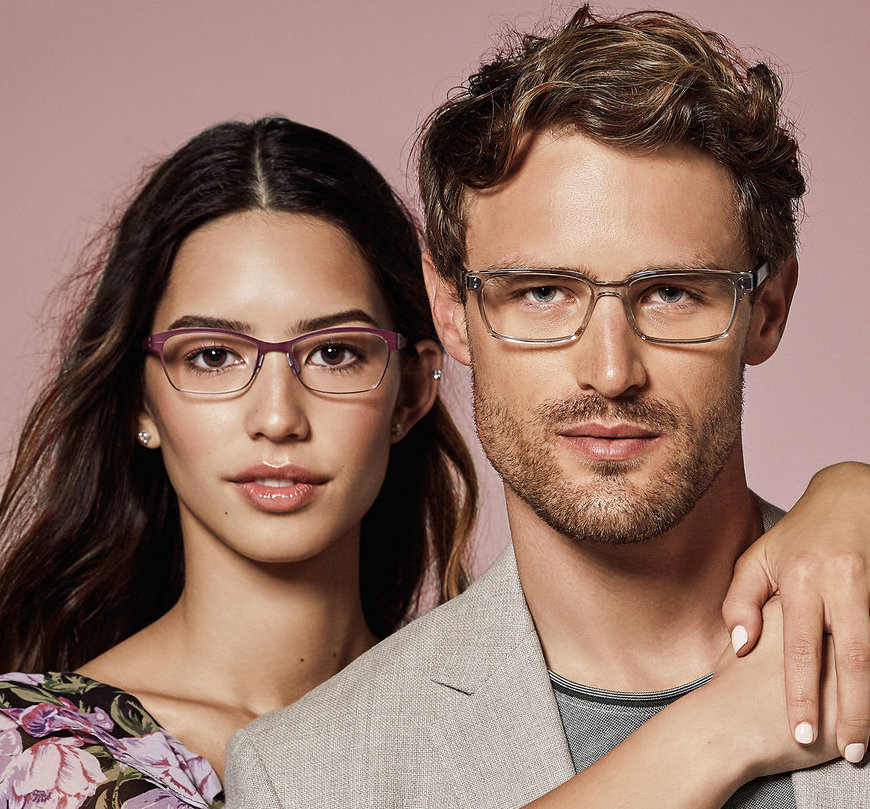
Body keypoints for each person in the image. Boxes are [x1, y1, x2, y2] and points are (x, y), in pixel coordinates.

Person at [224, 8, 870, 809]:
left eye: (671, 292)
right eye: (541, 292)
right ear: (450, 310)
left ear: (768, 308)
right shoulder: (308, 776)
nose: (609, 370)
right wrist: (720, 727)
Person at [0, 116, 477, 807]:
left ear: (408, 392)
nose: (278, 418)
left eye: (335, 352)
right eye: (214, 355)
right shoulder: (31, 753)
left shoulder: (495, 727)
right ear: (140, 401)